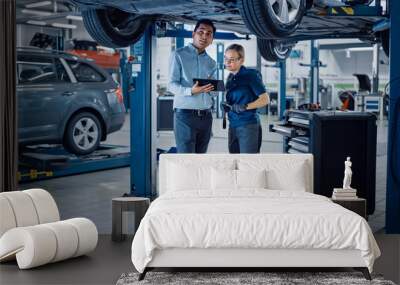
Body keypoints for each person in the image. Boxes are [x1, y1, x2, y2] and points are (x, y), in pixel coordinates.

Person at [168, 19, 217, 153]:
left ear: (212, 39)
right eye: (201, 32)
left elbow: (214, 93)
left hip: (206, 117)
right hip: (185, 116)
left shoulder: (212, 63)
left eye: (209, 34)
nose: (204, 36)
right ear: (193, 34)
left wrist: (214, 88)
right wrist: (191, 91)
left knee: (200, 161)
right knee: (186, 160)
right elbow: (171, 85)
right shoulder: (179, 55)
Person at [221, 44, 269, 153]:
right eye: (226, 59)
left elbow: (265, 99)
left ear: (241, 60)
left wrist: (245, 106)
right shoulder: (230, 78)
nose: (227, 62)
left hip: (248, 126)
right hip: (233, 125)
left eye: (232, 60)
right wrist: (226, 106)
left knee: (248, 163)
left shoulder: (251, 75)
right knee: (235, 161)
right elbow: (235, 100)